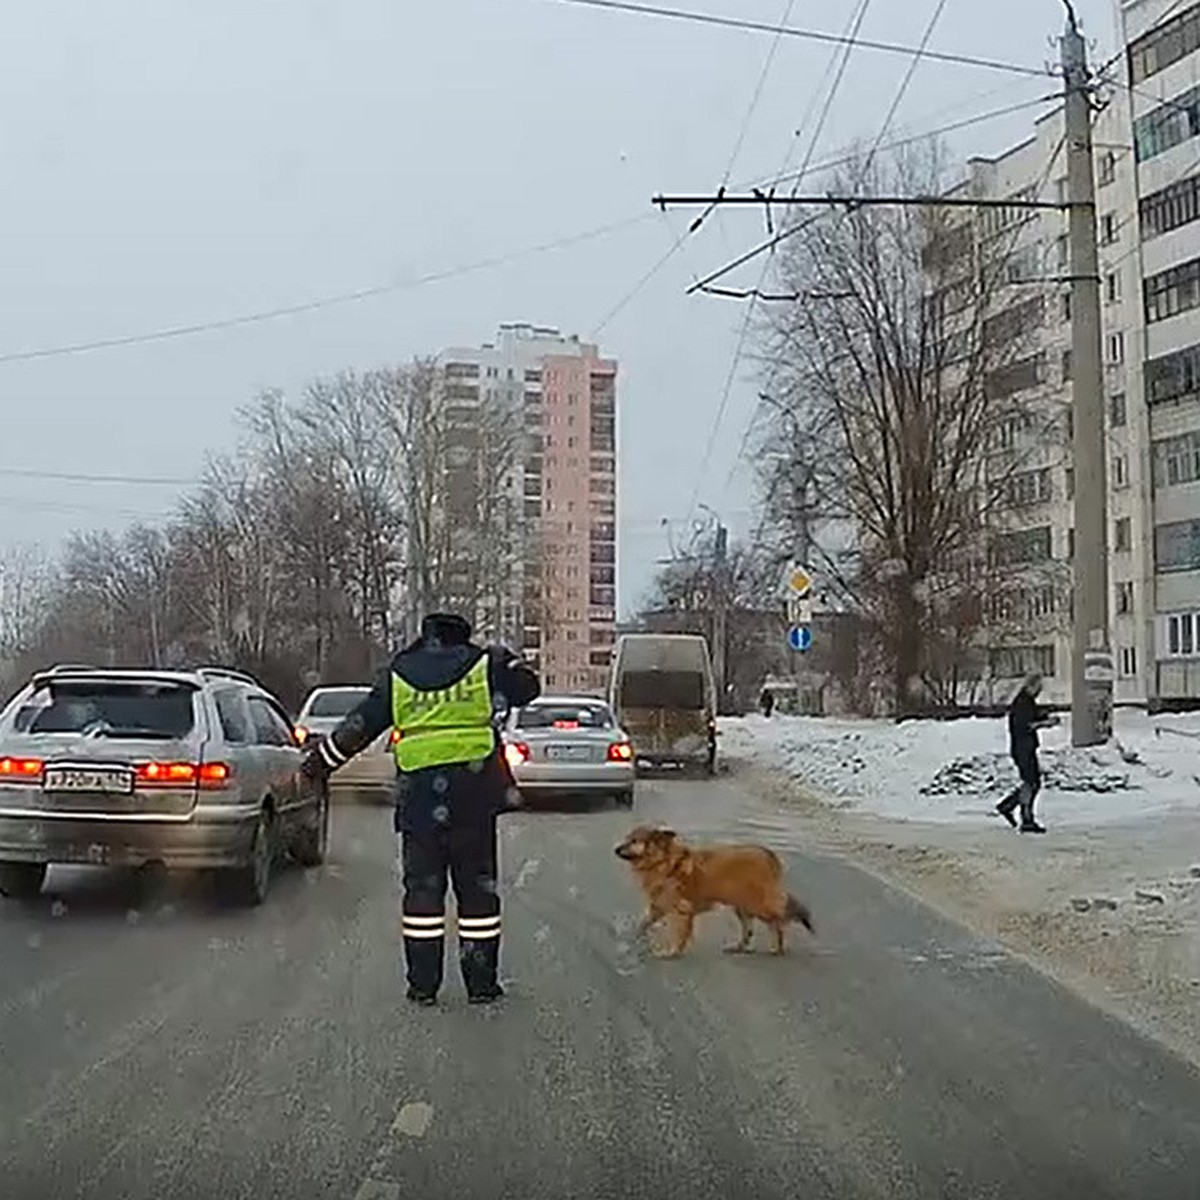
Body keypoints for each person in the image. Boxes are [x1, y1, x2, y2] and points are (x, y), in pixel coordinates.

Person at [302, 613, 541, 1006]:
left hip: (420, 800)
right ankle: (481, 984)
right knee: (477, 895)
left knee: (422, 896)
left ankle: (422, 985)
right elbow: (528, 690)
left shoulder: (399, 673)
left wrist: (319, 763)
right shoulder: (483, 665)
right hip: (474, 795)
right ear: (461, 637)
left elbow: (360, 726)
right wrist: (510, 661)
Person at [996, 673, 1056, 834]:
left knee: (1031, 781)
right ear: (1031, 686)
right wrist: (1045, 723)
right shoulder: (1022, 703)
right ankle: (1026, 819)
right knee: (1031, 783)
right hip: (1023, 748)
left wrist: (1044, 715)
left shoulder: (1026, 701)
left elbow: (1033, 715)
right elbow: (1026, 725)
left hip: (1025, 748)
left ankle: (1008, 806)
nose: (1040, 691)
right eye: (1038, 688)